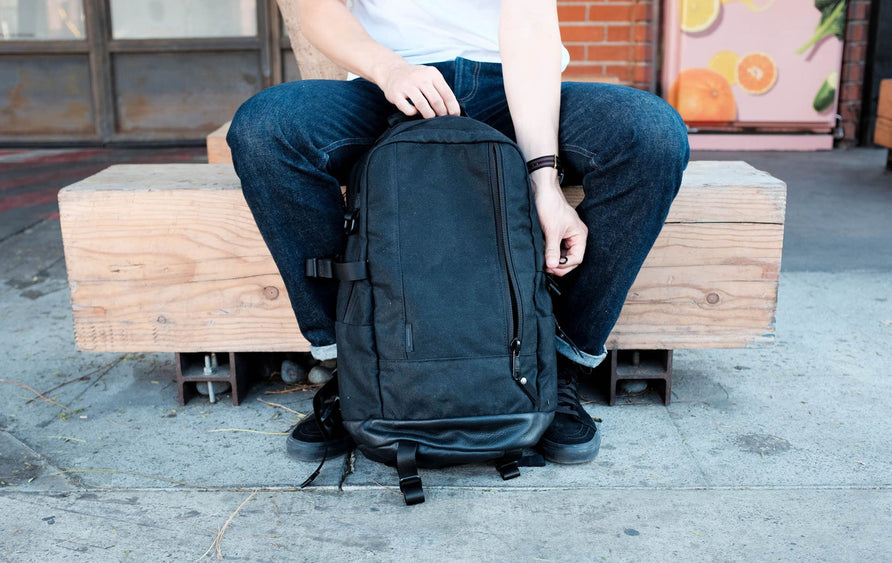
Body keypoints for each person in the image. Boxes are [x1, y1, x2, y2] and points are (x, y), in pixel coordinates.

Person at [227, 0, 689, 465]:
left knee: (650, 134)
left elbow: (529, 23)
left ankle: (552, 363)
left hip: (515, 86)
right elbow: (319, 12)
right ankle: (356, 368)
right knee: (266, 128)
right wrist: (391, 70)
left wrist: (543, 180)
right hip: (388, 84)